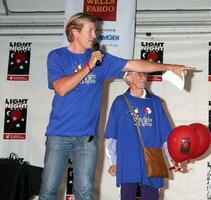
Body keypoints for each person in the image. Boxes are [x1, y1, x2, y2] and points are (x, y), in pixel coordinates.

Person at [39, 12, 190, 200]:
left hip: (87, 137)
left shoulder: (102, 60)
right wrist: (89, 66)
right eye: (91, 30)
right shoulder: (57, 56)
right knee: (48, 190)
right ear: (74, 31)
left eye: (95, 30)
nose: (95, 35)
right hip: (59, 133)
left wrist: (169, 67)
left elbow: (134, 64)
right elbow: (61, 88)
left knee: (85, 191)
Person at [105, 71, 178, 200]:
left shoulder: (155, 102)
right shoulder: (120, 102)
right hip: (127, 161)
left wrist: (173, 157)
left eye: (144, 74)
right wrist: (114, 162)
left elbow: (166, 134)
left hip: (152, 159)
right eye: (138, 74)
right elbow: (112, 136)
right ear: (128, 78)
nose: (142, 77)